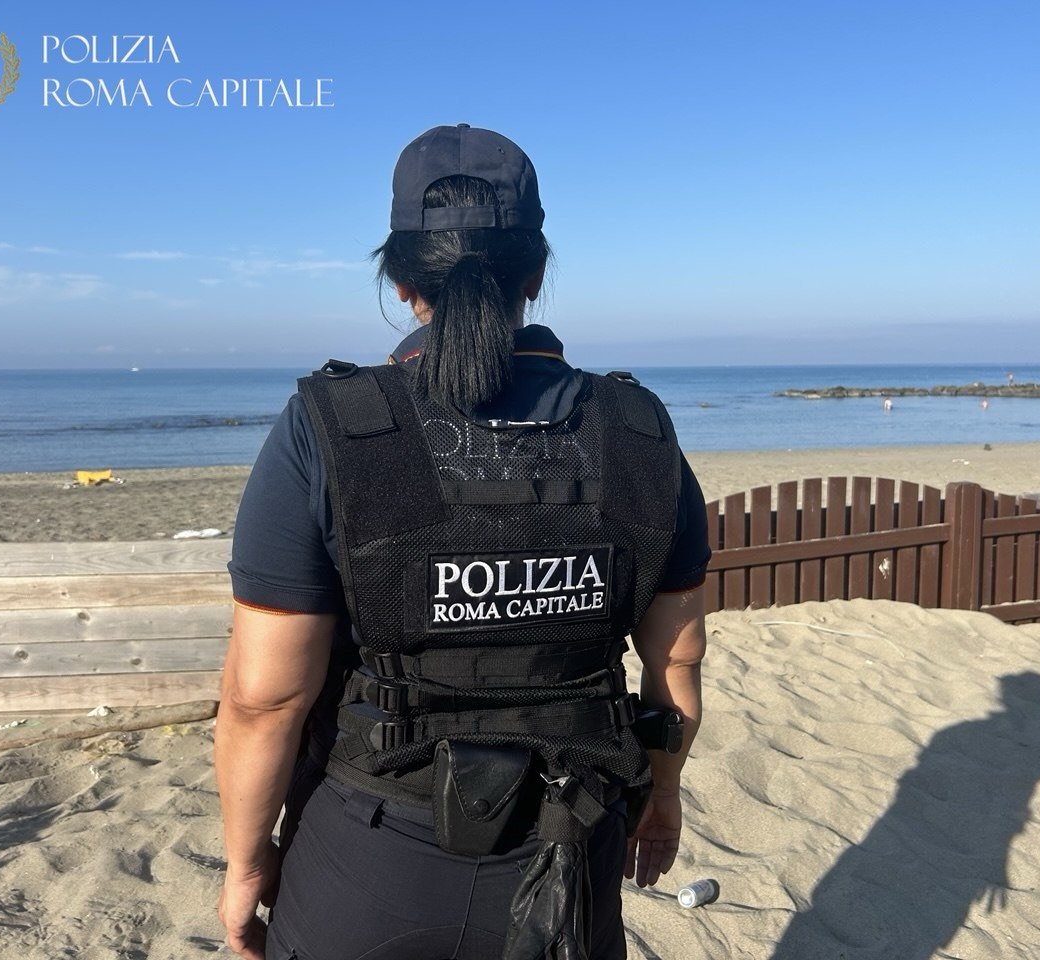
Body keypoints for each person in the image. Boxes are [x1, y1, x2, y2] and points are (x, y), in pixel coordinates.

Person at [215, 123, 710, 960]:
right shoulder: (634, 430)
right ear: (537, 273)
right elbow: (677, 663)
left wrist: (246, 863)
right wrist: (663, 794)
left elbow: (264, 699)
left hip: (371, 856)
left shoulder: (335, 427)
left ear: (403, 278)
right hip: (571, 846)